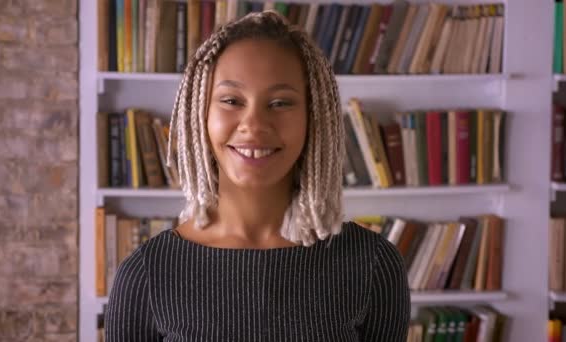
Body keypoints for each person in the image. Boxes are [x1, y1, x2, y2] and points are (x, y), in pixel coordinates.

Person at [105, 11, 410, 341]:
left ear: (314, 118)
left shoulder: (372, 265)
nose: (253, 124)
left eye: (280, 103)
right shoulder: (147, 274)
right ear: (200, 116)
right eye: (231, 100)